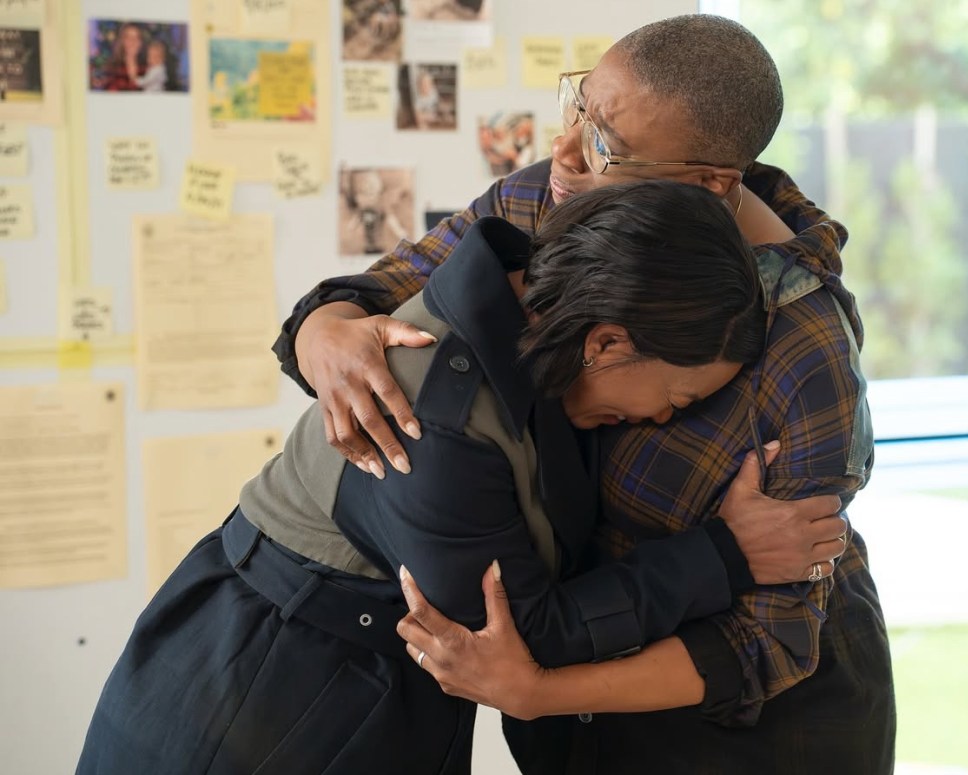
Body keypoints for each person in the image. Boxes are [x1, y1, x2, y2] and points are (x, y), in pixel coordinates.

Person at [275, 13, 895, 774]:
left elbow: (770, 640)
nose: (562, 151)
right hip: (567, 681)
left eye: (607, 143)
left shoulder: (804, 348)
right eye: (578, 106)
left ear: (709, 184)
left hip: (745, 728)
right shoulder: (554, 196)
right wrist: (324, 335)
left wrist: (542, 691)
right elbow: (378, 292)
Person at [76, 181, 843, 774]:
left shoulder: (528, 308)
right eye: (676, 396)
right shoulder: (432, 418)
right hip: (267, 695)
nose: (662, 418)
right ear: (608, 343)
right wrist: (727, 552)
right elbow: (519, 632)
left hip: (345, 678)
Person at [96, 22, 145, 92]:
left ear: (141, 42)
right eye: (128, 37)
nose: (133, 41)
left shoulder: (148, 69)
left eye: (137, 37)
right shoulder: (112, 69)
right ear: (122, 41)